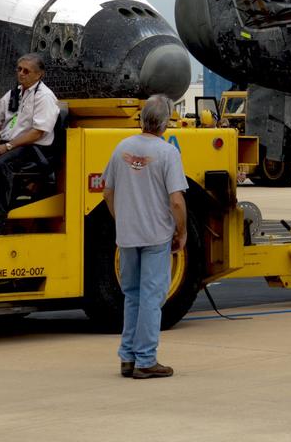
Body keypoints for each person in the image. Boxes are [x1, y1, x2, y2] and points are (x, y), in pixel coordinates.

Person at [102, 94, 187, 380]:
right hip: (155, 235)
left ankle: (127, 357)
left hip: (127, 235)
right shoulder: (167, 153)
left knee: (132, 296)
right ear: (166, 123)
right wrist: (182, 230)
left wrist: (120, 219)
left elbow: (107, 192)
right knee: (152, 297)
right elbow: (176, 200)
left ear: (141, 119)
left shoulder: (121, 148)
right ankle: (146, 359)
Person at [0, 53, 59, 234]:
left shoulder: (44, 97)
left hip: (35, 148)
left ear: (39, 75)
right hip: (11, 142)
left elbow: (38, 132)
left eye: (26, 71)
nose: (21, 74)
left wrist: (8, 146)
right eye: (19, 69)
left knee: (2, 163)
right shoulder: (14, 94)